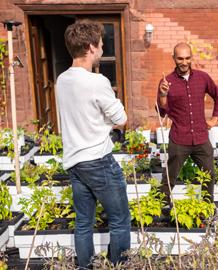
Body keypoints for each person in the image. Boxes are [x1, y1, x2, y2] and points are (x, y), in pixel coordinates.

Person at [56, 20, 130, 268]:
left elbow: (81, 116)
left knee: (83, 223)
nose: (101, 50)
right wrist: (107, 120)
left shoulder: (62, 80)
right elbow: (121, 119)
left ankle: (84, 267)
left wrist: (100, 121)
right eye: (100, 45)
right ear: (90, 47)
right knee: (120, 220)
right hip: (98, 161)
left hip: (75, 162)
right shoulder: (97, 81)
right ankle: (119, 265)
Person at [157, 42, 218, 204]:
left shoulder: (202, 77)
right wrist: (163, 95)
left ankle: (207, 209)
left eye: (187, 58)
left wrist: (215, 118)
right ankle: (159, 208)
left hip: (201, 138)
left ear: (191, 58)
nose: (184, 62)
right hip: (179, 139)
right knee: (169, 178)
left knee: (208, 176)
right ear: (174, 58)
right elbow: (162, 112)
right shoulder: (166, 82)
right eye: (180, 58)